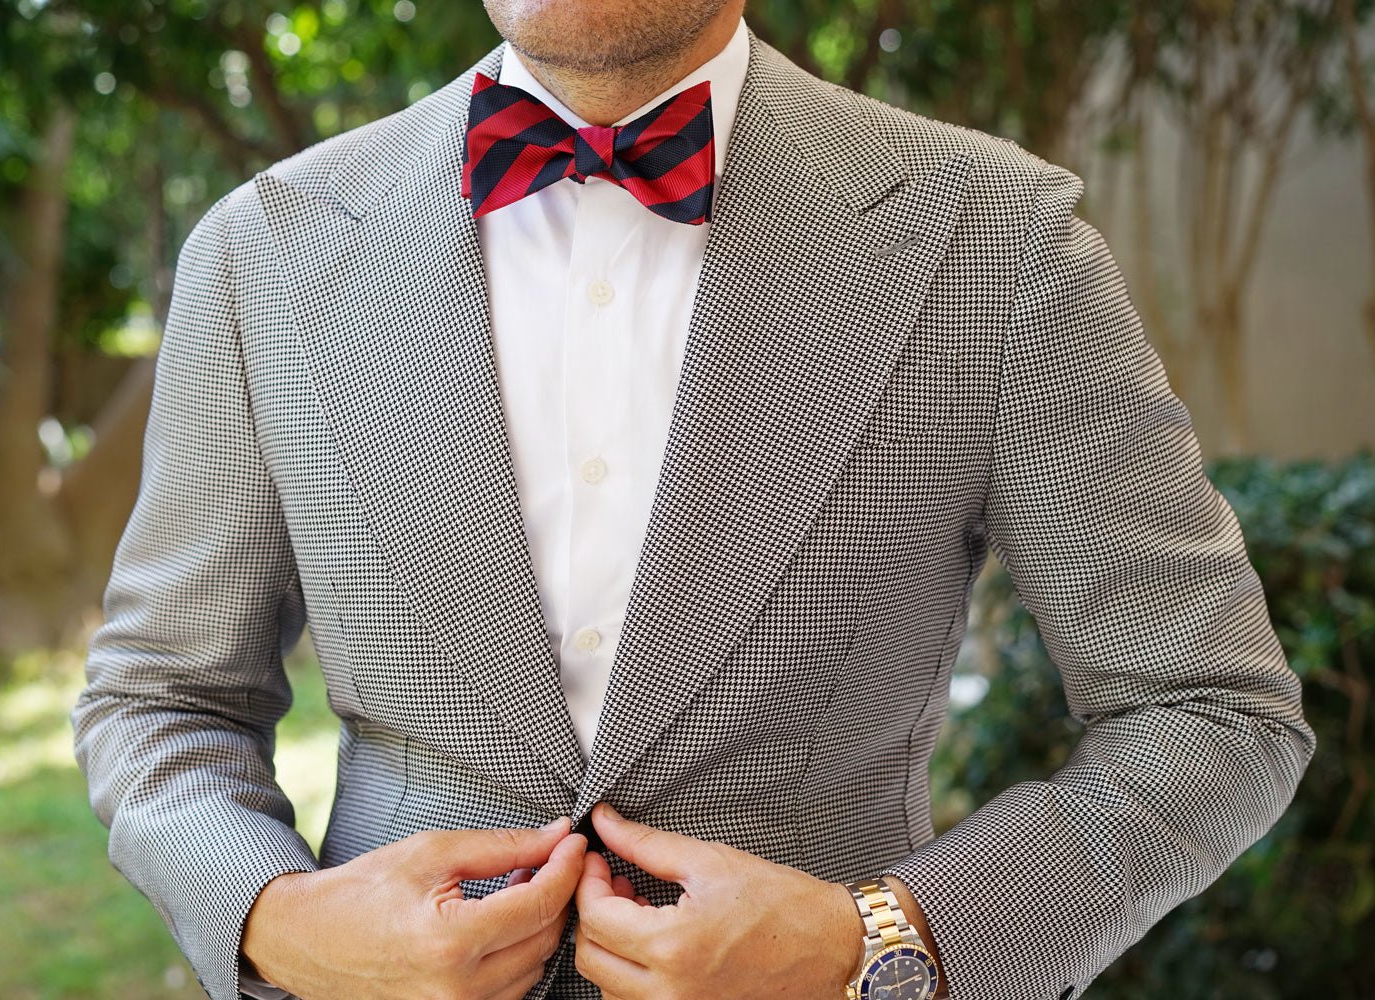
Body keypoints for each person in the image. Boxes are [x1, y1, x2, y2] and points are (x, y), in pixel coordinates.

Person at [69, 1, 1317, 998]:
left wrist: (876, 943)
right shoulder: (264, 254)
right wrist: (277, 923)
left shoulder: (996, 240)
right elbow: (158, 700)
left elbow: (1211, 710)